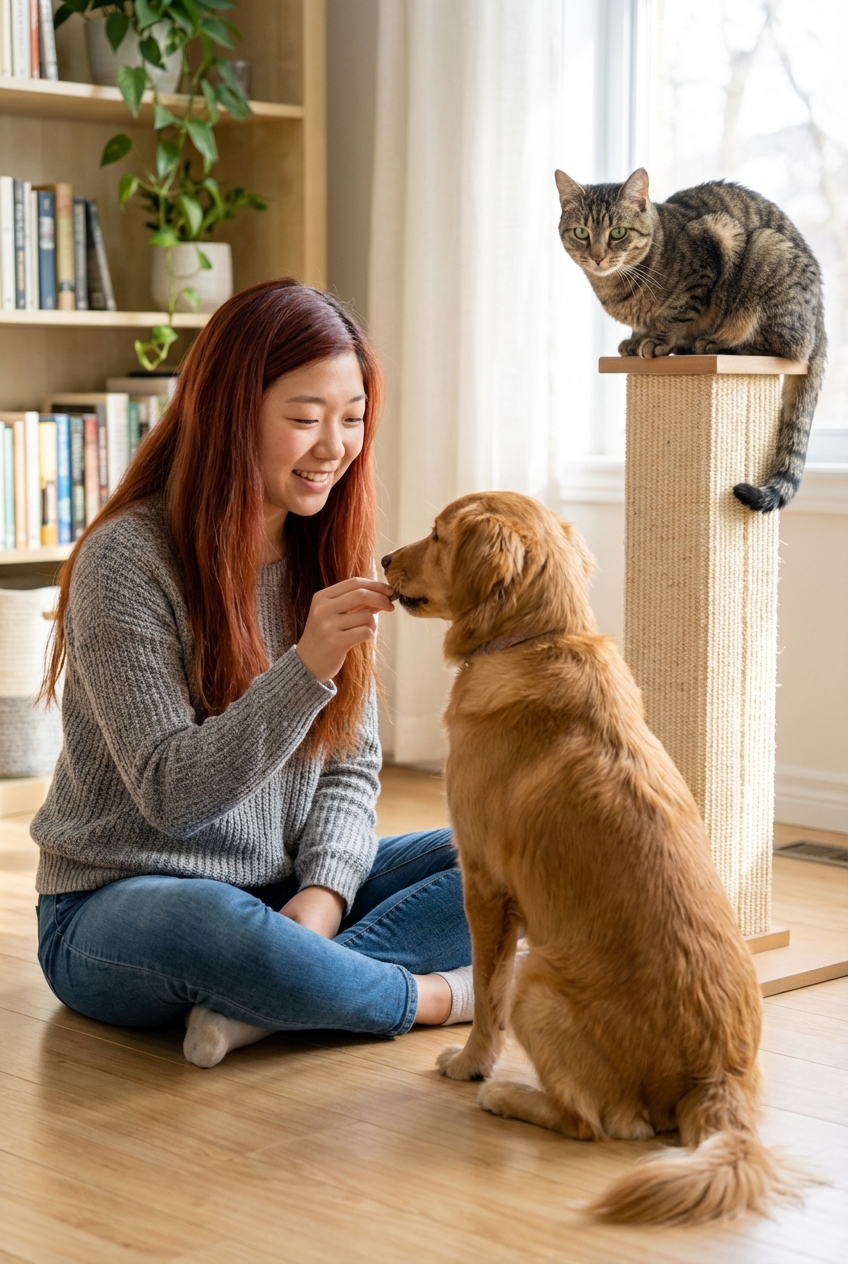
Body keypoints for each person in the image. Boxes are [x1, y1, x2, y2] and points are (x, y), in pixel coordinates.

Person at [32, 279, 472, 1068]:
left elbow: (351, 764)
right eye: (305, 419)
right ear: (232, 413)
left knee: (500, 849)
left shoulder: (326, 549)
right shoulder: (126, 561)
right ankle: (441, 996)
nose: (334, 447)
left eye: (352, 419)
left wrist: (323, 897)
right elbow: (174, 798)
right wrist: (306, 667)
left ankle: (268, 1004)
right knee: (213, 926)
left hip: (283, 891)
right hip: (117, 905)